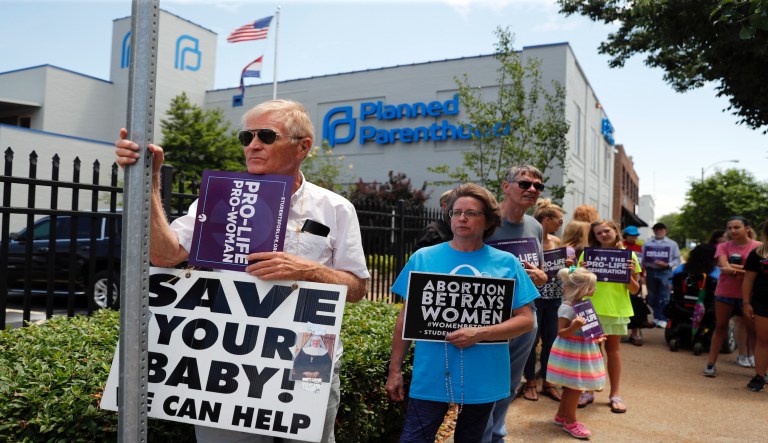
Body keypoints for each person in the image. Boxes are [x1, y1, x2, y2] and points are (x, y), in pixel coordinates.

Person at [114, 99, 370, 443]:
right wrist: (151, 178)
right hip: (230, 356)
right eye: (246, 137)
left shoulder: (336, 208)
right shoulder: (219, 197)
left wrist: (308, 269)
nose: (253, 144)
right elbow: (164, 255)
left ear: (303, 146)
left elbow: (356, 289)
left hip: (311, 352)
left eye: (266, 135)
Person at [385, 183, 538, 443]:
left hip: (484, 376)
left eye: (471, 213)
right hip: (431, 374)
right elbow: (406, 318)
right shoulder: (423, 258)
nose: (462, 218)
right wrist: (395, 370)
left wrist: (480, 332)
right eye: (456, 212)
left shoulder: (507, 263)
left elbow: (526, 320)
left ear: (489, 220)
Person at [484, 165, 547, 443]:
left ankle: (496, 433)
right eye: (525, 183)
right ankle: (478, 435)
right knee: (483, 382)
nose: (532, 189)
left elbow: (542, 273)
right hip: (486, 316)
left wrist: (541, 276)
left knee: (510, 382)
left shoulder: (535, 226)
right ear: (506, 186)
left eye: (538, 186)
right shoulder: (484, 222)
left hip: (524, 317)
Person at [577, 220, 640, 413]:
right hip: (591, 309)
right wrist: (582, 271)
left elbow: (635, 290)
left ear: (615, 231)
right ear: (594, 237)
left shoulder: (630, 256)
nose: (603, 235)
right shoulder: (586, 256)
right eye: (598, 233)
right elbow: (578, 286)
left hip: (616, 310)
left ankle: (615, 394)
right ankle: (588, 391)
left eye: (606, 231)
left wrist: (628, 274)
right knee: (591, 353)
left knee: (613, 351)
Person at [547, 267, 605, 440]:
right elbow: (561, 332)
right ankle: (571, 421)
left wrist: (596, 336)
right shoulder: (567, 308)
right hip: (572, 352)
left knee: (573, 386)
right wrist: (574, 327)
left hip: (581, 349)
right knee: (576, 386)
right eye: (592, 286)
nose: (594, 290)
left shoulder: (581, 305)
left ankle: (561, 415)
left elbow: (587, 329)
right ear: (582, 288)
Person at [520, 198, 569, 402]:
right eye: (559, 219)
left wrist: (567, 264)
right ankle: (530, 381)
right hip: (535, 297)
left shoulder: (557, 242)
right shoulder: (531, 241)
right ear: (547, 219)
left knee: (551, 340)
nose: (561, 223)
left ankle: (548, 382)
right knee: (531, 341)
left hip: (554, 298)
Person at [704, 216, 761, 377]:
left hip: (749, 296)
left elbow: (757, 272)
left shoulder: (759, 247)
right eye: (729, 228)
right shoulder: (723, 246)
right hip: (725, 293)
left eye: (737, 227)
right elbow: (724, 267)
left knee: (753, 332)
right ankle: (710, 364)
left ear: (747, 228)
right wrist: (747, 270)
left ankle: (760, 371)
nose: (732, 231)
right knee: (720, 327)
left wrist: (735, 268)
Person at [743, 220, 768, 392]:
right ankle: (759, 376)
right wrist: (746, 302)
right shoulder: (758, 253)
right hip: (763, 303)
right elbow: (749, 279)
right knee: (763, 340)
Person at [642, 222, 682, 329]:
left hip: (665, 272)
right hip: (651, 271)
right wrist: (642, 273)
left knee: (664, 296)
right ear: (654, 231)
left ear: (665, 231)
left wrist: (668, 264)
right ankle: (657, 316)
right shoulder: (647, 243)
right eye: (656, 229)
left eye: (661, 229)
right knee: (651, 296)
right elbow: (643, 259)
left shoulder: (672, 244)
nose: (659, 231)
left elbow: (677, 259)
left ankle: (663, 318)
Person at [622, 225, 653, 346]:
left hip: (636, 278)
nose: (633, 237)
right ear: (626, 235)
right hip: (623, 279)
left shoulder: (639, 248)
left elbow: (641, 263)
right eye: (631, 235)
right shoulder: (621, 246)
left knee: (635, 302)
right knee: (632, 302)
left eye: (635, 235)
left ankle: (634, 333)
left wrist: (643, 276)